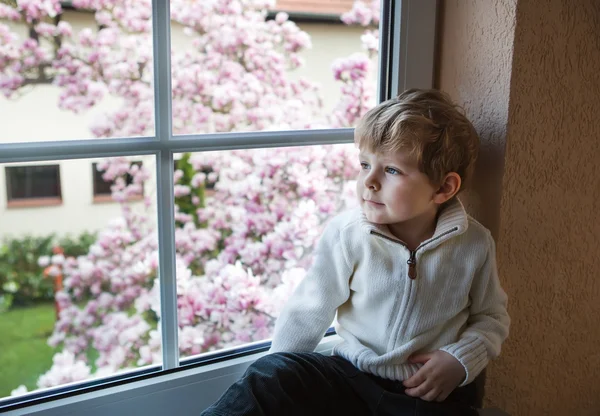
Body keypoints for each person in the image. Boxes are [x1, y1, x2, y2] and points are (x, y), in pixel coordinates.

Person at [201, 89, 510, 416]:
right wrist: (282, 380)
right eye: (365, 164)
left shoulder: (474, 245)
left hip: (425, 392)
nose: (370, 182)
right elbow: (310, 309)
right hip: (352, 378)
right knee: (271, 376)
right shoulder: (348, 234)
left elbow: (491, 318)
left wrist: (460, 361)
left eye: (391, 170)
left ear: (443, 188)